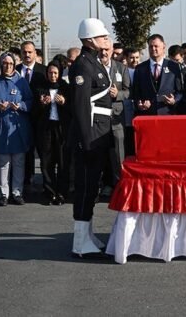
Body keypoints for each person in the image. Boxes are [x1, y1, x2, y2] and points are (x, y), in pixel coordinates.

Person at [69, 18, 115, 259]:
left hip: (101, 130)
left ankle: (88, 233)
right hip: (91, 132)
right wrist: (85, 139)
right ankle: (79, 239)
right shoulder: (83, 65)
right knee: (85, 185)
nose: (106, 40)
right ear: (89, 40)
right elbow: (80, 105)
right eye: (102, 37)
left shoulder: (93, 62)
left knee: (93, 184)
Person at [0, 52, 33, 206]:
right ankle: (3, 194)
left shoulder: (22, 82)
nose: (7, 66)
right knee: (3, 162)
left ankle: (17, 192)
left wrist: (20, 106)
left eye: (10, 64)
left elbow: (31, 102)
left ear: (15, 65)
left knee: (19, 161)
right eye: (5, 64)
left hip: (18, 128)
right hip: (1, 127)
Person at [33, 62, 69, 205]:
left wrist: (64, 102)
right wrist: (42, 104)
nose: (53, 76)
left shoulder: (65, 88)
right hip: (46, 128)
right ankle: (49, 192)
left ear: (59, 73)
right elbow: (34, 111)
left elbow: (72, 108)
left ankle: (61, 193)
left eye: (55, 73)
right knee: (47, 162)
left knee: (62, 162)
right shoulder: (41, 89)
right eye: (50, 73)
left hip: (60, 128)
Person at [98, 39, 130, 196]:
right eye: (101, 49)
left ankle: (120, 186)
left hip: (117, 118)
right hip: (98, 119)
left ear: (112, 50)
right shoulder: (94, 69)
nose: (104, 53)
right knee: (100, 155)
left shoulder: (121, 68)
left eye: (107, 49)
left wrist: (118, 94)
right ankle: (102, 186)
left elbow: (128, 91)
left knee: (118, 155)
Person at [16, 41, 46, 187]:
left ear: (35, 53)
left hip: (40, 119)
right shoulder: (14, 71)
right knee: (24, 153)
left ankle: (47, 185)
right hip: (21, 118)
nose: (27, 55)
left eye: (30, 52)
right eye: (24, 52)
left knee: (44, 153)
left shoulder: (44, 71)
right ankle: (26, 183)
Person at [132, 34, 183, 116]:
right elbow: (136, 92)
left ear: (163, 47)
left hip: (167, 113)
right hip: (147, 114)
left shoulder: (173, 66)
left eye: (156, 46)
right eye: (150, 46)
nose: (153, 49)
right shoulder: (140, 68)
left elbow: (180, 91)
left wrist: (174, 100)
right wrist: (139, 104)